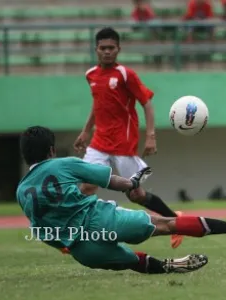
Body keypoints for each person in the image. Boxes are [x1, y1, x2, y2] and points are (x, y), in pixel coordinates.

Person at [17, 126, 226, 274]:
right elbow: (114, 182)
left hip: (83, 250)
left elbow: (40, 230)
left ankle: (168, 267)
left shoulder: (21, 191)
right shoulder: (64, 164)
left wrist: (64, 245)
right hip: (102, 220)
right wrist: (132, 182)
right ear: (51, 150)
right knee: (166, 224)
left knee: (129, 260)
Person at [73, 27, 185, 249]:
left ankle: (176, 221)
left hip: (123, 144)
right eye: (103, 48)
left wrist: (151, 136)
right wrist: (86, 130)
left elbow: (147, 103)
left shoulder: (125, 74)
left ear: (118, 49)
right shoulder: (91, 75)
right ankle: (76, 235)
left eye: (111, 48)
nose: (107, 52)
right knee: (86, 187)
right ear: (96, 50)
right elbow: (98, 105)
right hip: (98, 143)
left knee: (136, 195)